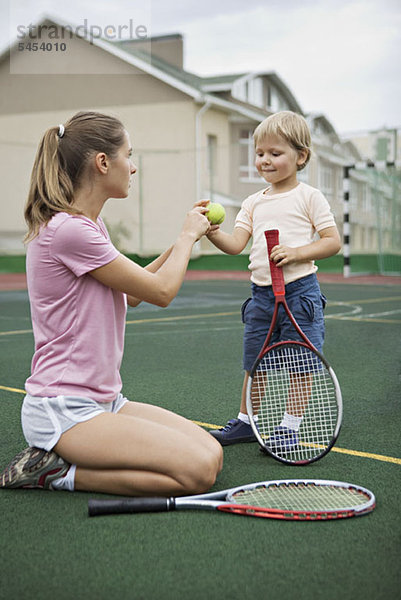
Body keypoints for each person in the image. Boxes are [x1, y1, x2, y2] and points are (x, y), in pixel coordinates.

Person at [0, 111, 223, 495]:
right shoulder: (68, 231)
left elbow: (134, 292)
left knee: (213, 452)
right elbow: (162, 293)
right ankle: (55, 473)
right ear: (103, 163)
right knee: (198, 472)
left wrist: (185, 239)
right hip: (64, 409)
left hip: (104, 400)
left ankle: (62, 464)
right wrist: (187, 239)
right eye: (129, 155)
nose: (133, 168)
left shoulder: (88, 226)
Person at [207, 111, 341, 447]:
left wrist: (297, 252)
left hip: (300, 294)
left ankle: (289, 427)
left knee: (301, 364)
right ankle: (245, 422)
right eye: (260, 153)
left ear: (301, 157)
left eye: (275, 153)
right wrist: (210, 233)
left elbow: (332, 241)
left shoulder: (309, 197)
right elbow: (236, 244)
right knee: (255, 363)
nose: (265, 160)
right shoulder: (252, 202)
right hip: (261, 297)